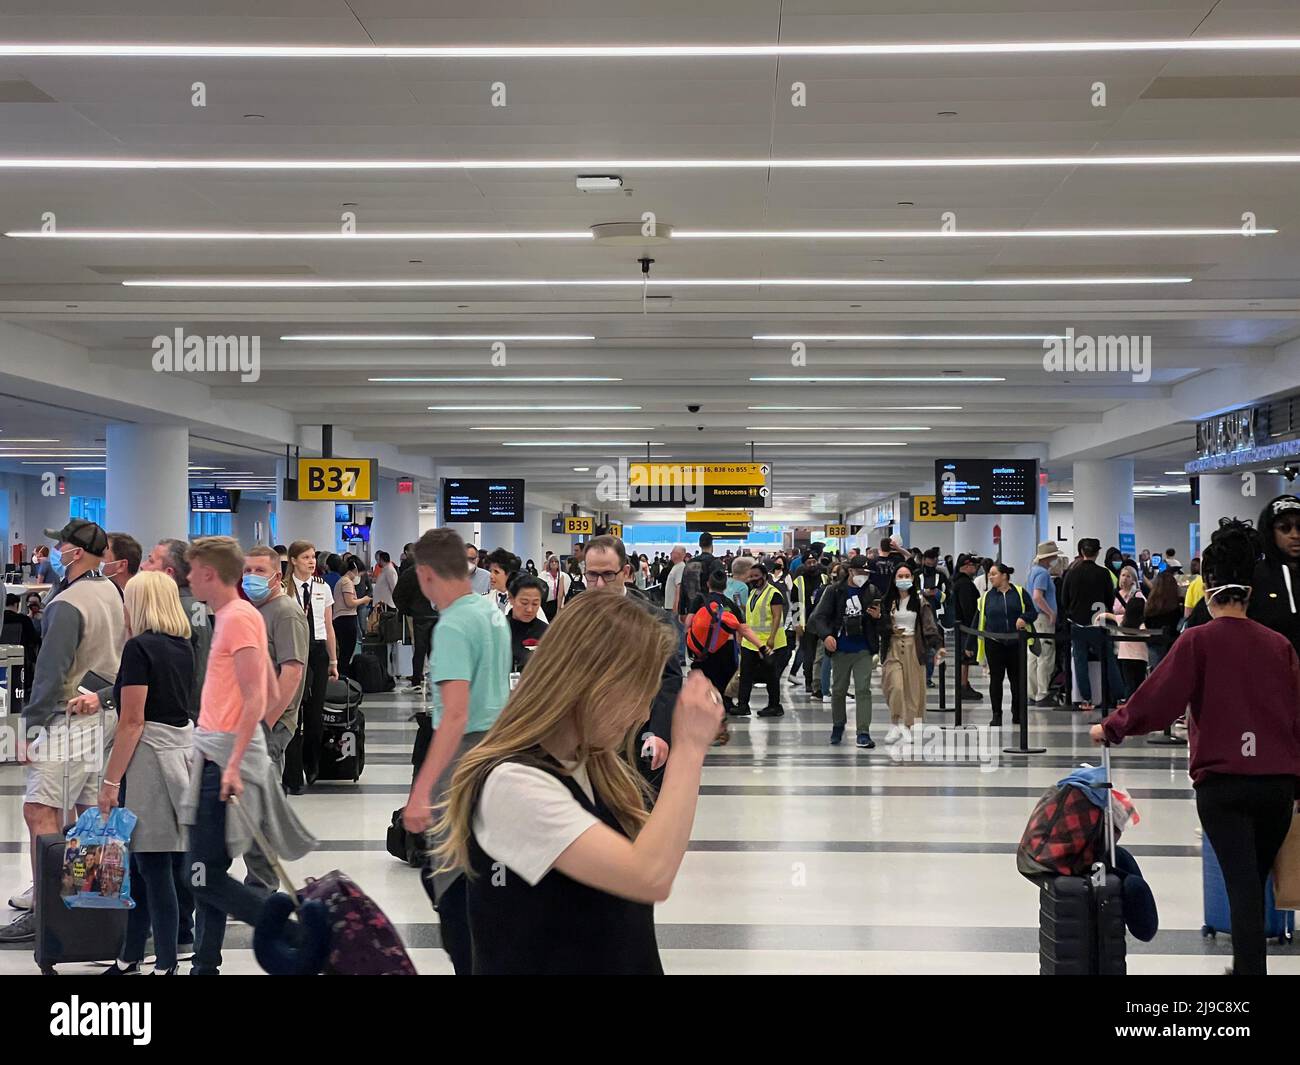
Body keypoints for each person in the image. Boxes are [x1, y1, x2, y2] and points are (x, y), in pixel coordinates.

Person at [433, 593, 721, 974]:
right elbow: (648, 875)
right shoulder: (511, 784)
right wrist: (689, 749)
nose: (642, 713)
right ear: (590, 682)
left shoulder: (595, 764)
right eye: (637, 694)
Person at [1092, 519, 1300, 976]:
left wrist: (1111, 727)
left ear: (1208, 588)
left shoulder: (1197, 641)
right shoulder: (1280, 645)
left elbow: (1158, 701)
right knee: (1254, 879)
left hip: (1223, 784)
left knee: (1241, 884)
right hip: (1276, 785)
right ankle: (1247, 965)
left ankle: (1249, 973)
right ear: (1249, 589)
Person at [179, 536, 314, 976]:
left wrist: (236, 763)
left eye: (191, 570)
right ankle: (205, 964)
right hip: (217, 751)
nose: (186, 577)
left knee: (201, 871)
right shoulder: (239, 615)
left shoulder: (236, 618)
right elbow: (268, 685)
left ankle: (296, 935)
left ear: (209, 574)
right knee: (208, 868)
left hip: (223, 756)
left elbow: (258, 697)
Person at [1, 520, 124, 942]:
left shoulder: (69, 603)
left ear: (78, 552)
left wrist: (30, 727)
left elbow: (50, 673)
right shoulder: (111, 591)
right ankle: (92, 900)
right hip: (97, 715)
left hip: (67, 716)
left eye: (62, 545)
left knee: (40, 810)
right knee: (87, 811)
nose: (56, 551)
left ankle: (46, 911)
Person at [401, 528, 512, 976]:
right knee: (480, 878)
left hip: (461, 764)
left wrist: (421, 790)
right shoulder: (490, 613)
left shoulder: (451, 626)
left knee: (449, 885)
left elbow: (455, 715)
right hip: (495, 757)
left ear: (426, 574)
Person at [82, 570, 194, 975]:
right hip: (179, 756)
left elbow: (133, 721)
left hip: (147, 762)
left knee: (153, 869)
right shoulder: (183, 646)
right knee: (145, 868)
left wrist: (110, 782)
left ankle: (164, 962)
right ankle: (130, 955)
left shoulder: (139, 648)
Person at [580, 535, 681, 785]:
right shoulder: (575, 617)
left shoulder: (652, 620)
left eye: (608, 575)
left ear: (625, 572)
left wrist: (658, 732)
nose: (600, 584)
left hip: (637, 736)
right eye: (592, 575)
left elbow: (668, 679)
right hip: (586, 738)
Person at [241, 546, 308, 838]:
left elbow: (292, 673)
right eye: (247, 571)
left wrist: (265, 724)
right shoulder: (257, 610)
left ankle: (262, 882)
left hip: (272, 723)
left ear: (277, 576)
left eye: (260, 571)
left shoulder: (285, 612)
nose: (251, 577)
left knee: (263, 808)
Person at [686, 567, 764, 742]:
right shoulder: (730, 604)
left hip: (703, 652)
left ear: (708, 584)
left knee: (705, 689)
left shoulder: (700, 600)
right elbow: (740, 629)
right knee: (720, 690)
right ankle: (718, 726)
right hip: (727, 652)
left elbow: (689, 623)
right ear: (725, 585)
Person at [810, 554, 881, 747]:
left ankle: (863, 732)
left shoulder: (872, 591)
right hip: (841, 648)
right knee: (839, 690)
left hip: (863, 649)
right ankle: (838, 725)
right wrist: (827, 636)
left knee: (863, 689)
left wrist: (878, 618)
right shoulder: (834, 591)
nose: (863, 576)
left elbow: (881, 623)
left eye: (866, 573)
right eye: (859, 572)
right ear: (850, 571)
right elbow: (819, 617)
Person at [285, 541, 338, 789]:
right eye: (305, 557)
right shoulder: (284, 588)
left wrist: (333, 659)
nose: (311, 561)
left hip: (317, 650)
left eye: (313, 557)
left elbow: (328, 625)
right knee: (293, 712)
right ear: (293, 560)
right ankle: (293, 774)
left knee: (314, 714)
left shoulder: (322, 587)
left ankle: (312, 764)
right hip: (293, 648)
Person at [1060, 537, 1126, 711]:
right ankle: (1120, 697)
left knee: (1080, 660)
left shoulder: (1071, 573)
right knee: (1109, 660)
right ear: (1098, 553)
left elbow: (1064, 599)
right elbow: (1109, 598)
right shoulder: (1103, 573)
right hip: (1099, 622)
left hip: (1077, 623)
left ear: (1081, 552)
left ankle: (1086, 699)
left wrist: (1071, 613)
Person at [878, 564, 944, 730]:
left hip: (914, 648)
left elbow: (929, 625)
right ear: (894, 579)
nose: (903, 579)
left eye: (907, 575)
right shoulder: (887, 601)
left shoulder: (920, 602)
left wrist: (938, 646)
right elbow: (880, 625)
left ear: (912, 579)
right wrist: (886, 625)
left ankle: (910, 724)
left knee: (913, 689)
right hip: (893, 647)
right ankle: (895, 719)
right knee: (895, 686)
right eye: (900, 576)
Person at [974, 563, 1036, 727]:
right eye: (990, 574)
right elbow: (978, 620)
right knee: (996, 679)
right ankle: (996, 714)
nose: (990, 576)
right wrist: (969, 645)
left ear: (1004, 576)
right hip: (994, 643)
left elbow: (1032, 612)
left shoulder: (1020, 593)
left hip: (1016, 643)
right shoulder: (986, 597)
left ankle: (1017, 713)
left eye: (994, 574)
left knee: (1017, 680)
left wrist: (1024, 618)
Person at [1249, 494, 1300, 655]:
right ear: (1270, 533)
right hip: (1268, 671)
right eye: (1285, 528)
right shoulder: (1254, 577)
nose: (1295, 535)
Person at [736, 561, 787, 717]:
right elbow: (754, 613)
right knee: (745, 674)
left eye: (756, 576)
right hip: (751, 642)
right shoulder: (753, 593)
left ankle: (775, 706)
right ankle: (743, 705)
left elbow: (777, 616)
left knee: (771, 676)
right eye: (751, 576)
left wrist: (771, 638)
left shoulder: (774, 593)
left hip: (769, 643)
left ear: (764, 576)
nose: (753, 579)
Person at [394, 548, 438, 694]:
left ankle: (416, 681)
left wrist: (408, 610)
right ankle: (436, 682)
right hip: (437, 615)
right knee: (436, 650)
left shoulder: (411, 573)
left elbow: (398, 594)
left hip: (419, 616)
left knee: (419, 649)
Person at [1026, 541, 1062, 707]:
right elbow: (1037, 596)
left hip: (1034, 619)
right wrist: (1050, 612)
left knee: (1033, 655)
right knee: (1046, 656)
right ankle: (1043, 693)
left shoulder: (1033, 571)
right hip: (1043, 619)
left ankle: (1032, 693)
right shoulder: (1043, 574)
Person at [1103, 564, 1148, 696]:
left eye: (1128, 576)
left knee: (1133, 675)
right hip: (1117, 632)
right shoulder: (1117, 594)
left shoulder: (1137, 594)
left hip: (1132, 635)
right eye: (1123, 575)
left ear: (1133, 579)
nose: (1124, 579)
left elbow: (1142, 611)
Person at [790, 555, 827, 693]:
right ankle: (808, 682)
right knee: (808, 655)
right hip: (806, 624)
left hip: (822, 623)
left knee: (821, 655)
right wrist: (796, 623)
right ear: (804, 564)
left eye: (814, 562)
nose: (812, 564)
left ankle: (820, 682)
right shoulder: (798, 581)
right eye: (809, 562)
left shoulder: (824, 578)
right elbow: (795, 603)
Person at [951, 554, 984, 702]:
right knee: (966, 656)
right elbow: (968, 607)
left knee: (965, 658)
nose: (975, 568)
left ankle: (964, 684)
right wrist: (973, 626)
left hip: (961, 625)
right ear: (965, 566)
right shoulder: (964, 584)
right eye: (973, 566)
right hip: (965, 626)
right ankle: (963, 685)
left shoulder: (958, 582)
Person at [331, 555, 370, 677]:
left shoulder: (341, 581)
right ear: (355, 569)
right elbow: (350, 603)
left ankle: (342, 675)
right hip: (346, 619)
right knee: (346, 651)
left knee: (344, 650)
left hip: (342, 619)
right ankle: (343, 676)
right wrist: (364, 599)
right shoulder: (346, 582)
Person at [1142, 570, 1183, 672]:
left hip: (1153, 643)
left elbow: (1147, 622)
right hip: (1172, 645)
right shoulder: (1177, 606)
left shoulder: (1151, 604)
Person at [508, 574, 549, 674]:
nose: (529, 609)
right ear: (511, 599)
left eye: (535, 604)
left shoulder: (547, 632)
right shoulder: (498, 629)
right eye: (524, 602)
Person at [485, 547, 521, 614]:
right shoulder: (484, 600)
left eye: (496, 572)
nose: (491, 576)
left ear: (509, 574)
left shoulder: (523, 600)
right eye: (490, 571)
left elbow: (542, 623)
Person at [540, 554, 571, 622]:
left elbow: (565, 592)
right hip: (546, 605)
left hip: (559, 605)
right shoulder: (543, 575)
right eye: (552, 561)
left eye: (556, 561)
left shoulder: (564, 576)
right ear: (549, 563)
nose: (554, 563)